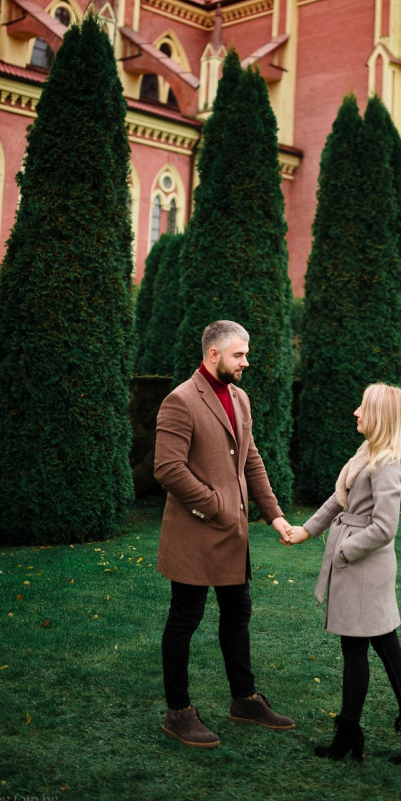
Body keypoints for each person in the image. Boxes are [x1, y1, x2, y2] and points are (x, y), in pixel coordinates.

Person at [154, 319, 294, 748]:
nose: (246, 362)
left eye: (246, 353)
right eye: (239, 355)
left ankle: (245, 700)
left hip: (234, 537)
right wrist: (215, 504)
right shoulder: (180, 400)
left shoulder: (240, 398)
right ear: (213, 354)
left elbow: (251, 461)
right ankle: (178, 712)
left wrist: (274, 516)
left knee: (238, 614)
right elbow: (167, 468)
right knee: (185, 619)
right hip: (194, 535)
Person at [286, 383, 401, 765]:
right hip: (359, 565)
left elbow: (385, 526)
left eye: (363, 407)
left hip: (364, 566)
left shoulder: (389, 461)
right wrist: (308, 529)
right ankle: (386, 730)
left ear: (381, 416)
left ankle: (380, 730)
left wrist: (346, 550)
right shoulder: (368, 452)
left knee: (376, 648)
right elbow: (341, 501)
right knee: (373, 648)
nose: (355, 412)